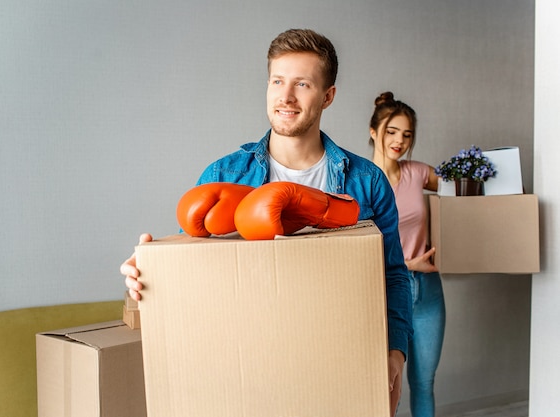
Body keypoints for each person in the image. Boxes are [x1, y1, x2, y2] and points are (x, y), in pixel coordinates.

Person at [120, 29, 413, 417]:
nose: (285, 97)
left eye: (302, 84)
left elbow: (392, 272)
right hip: (250, 373)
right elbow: (200, 279)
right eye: (277, 81)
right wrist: (147, 279)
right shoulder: (224, 174)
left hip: (338, 365)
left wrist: (395, 352)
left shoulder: (366, 181)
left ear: (328, 96)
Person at [369, 92, 446, 417]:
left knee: (424, 383)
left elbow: (465, 193)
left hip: (428, 291)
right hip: (384, 293)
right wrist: (406, 263)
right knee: (386, 385)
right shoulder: (360, 182)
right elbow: (354, 247)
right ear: (374, 131)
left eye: (407, 134)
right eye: (391, 131)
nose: (399, 140)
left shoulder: (417, 173)